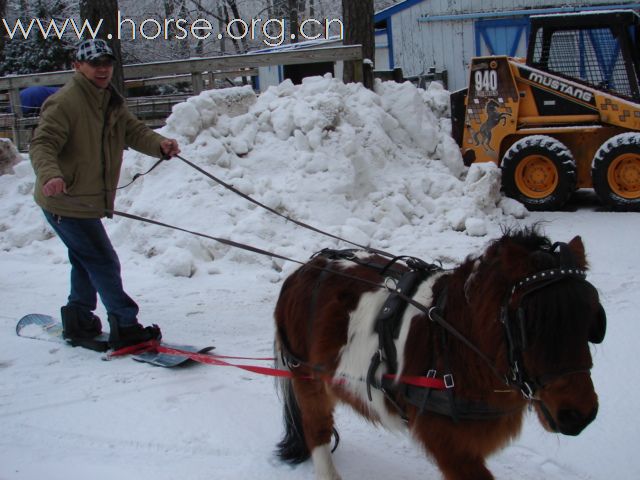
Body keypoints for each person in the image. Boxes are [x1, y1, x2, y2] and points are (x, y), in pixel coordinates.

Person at [29, 39, 180, 351]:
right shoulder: (65, 103)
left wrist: (159, 144)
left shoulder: (108, 100)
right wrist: (50, 174)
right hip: (65, 199)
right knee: (102, 260)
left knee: (87, 259)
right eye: (94, 63)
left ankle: (78, 319)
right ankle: (125, 324)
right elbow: (42, 144)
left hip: (85, 199)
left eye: (107, 63)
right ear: (78, 66)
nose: (102, 69)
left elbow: (133, 131)